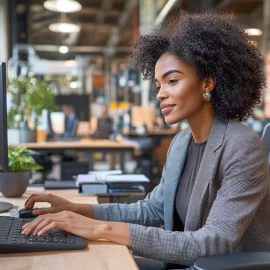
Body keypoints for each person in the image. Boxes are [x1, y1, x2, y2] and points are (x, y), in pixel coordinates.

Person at [22, 12, 270, 269]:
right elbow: (151, 211)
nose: (161, 94)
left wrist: (100, 228)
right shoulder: (181, 144)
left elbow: (212, 242)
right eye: (158, 84)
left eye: (172, 81)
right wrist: (75, 209)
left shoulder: (242, 145)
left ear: (207, 83)